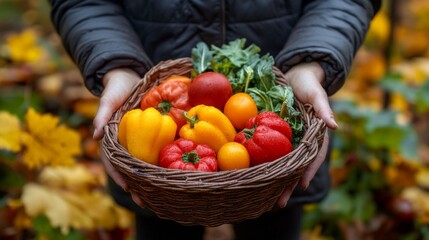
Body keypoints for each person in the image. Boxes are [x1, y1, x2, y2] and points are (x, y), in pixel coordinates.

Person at [48, 1, 381, 239]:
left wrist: (312, 62)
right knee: (159, 224)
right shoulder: (163, 115)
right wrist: (116, 66)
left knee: (274, 225)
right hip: (156, 166)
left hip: (278, 157)